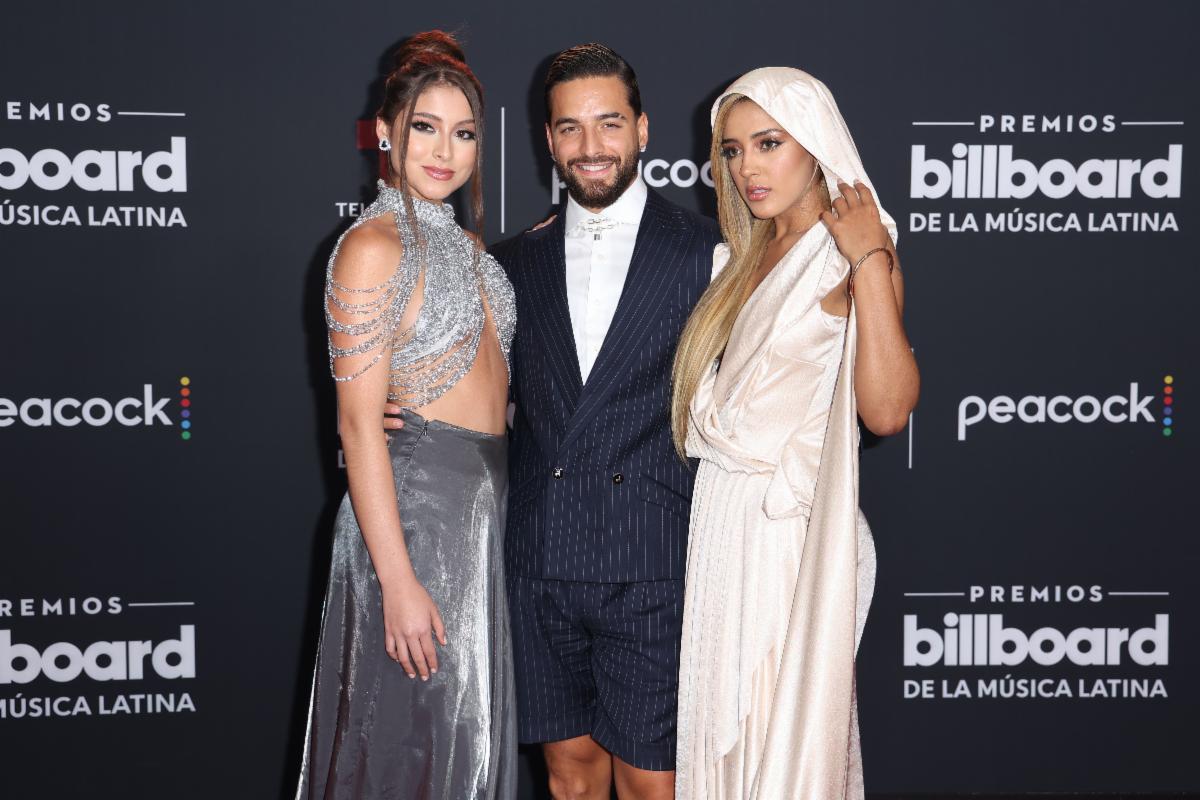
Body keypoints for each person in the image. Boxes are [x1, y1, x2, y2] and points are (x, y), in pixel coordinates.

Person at [671, 68, 920, 799]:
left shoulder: (851, 253)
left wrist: (870, 255)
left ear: (814, 144)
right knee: (727, 746)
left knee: (783, 754)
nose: (748, 166)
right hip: (724, 525)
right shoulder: (739, 257)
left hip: (791, 539)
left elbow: (887, 410)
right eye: (732, 151)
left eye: (769, 143)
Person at [489, 44, 720, 800]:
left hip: (651, 556)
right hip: (540, 556)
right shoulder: (511, 264)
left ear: (644, 130)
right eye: (570, 128)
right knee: (570, 778)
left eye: (609, 123)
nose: (591, 147)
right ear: (547, 140)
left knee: (656, 784)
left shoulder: (708, 253)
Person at [295, 31, 517, 800]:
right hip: (415, 530)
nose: (445, 151)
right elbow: (357, 426)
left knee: (464, 754)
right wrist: (397, 580)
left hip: (480, 523)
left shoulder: (477, 253)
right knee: (407, 754)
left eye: (463, 133)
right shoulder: (371, 246)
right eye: (425, 127)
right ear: (385, 131)